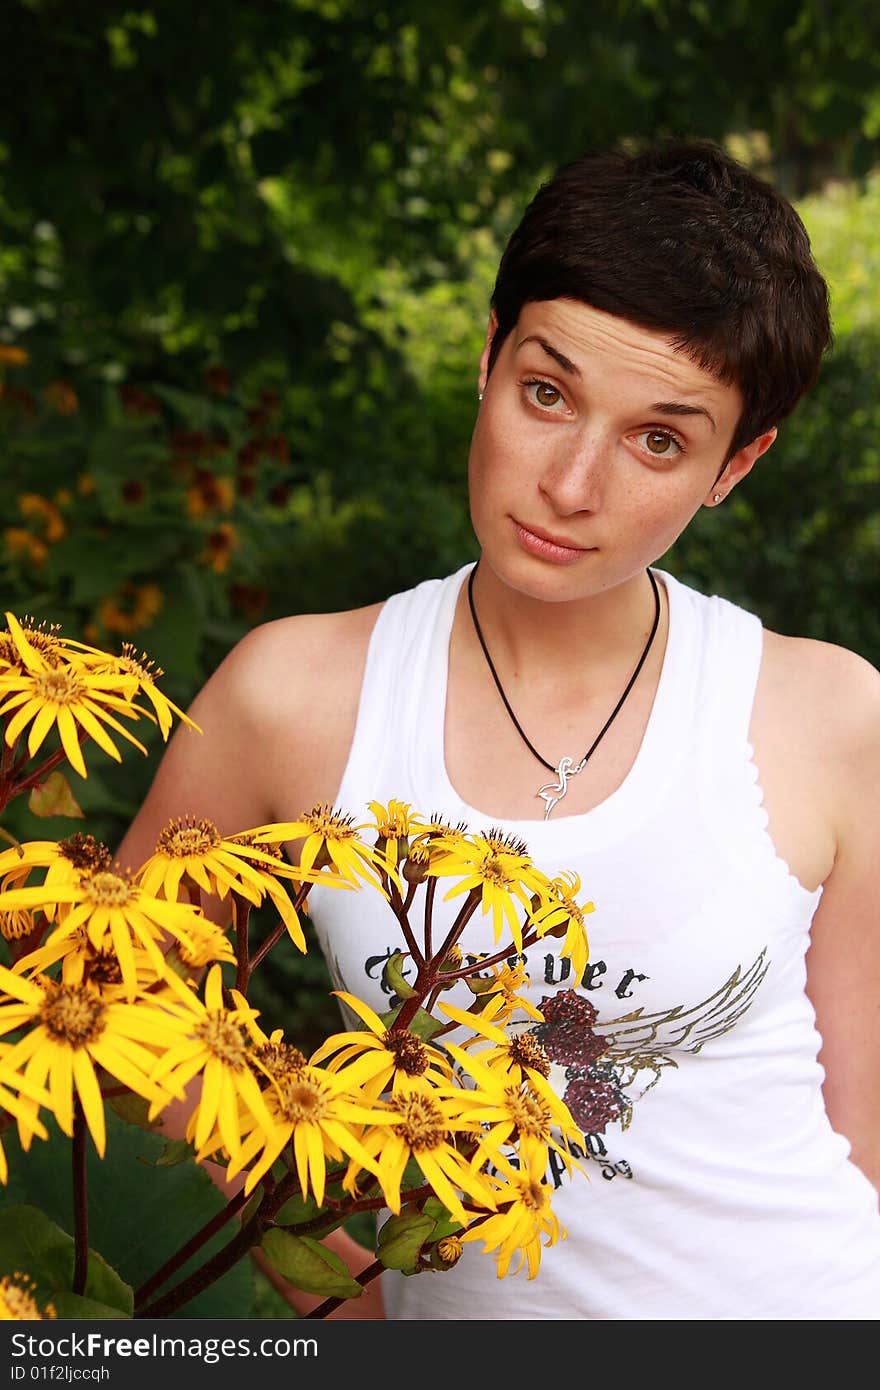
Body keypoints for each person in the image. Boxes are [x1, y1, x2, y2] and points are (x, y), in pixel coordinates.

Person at [115, 138, 880, 1320]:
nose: (572, 484)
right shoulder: (297, 695)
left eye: (659, 439)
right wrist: (333, 1277)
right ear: (486, 359)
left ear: (737, 464)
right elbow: (119, 996)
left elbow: (869, 1124)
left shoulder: (828, 713)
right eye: (547, 391)